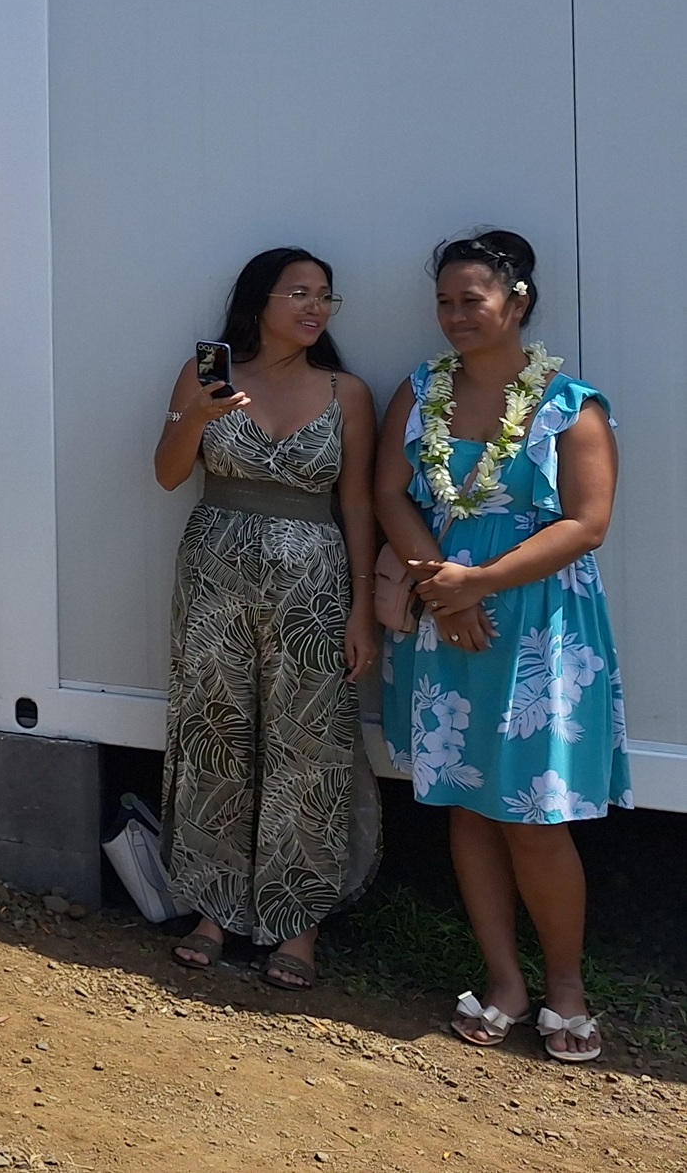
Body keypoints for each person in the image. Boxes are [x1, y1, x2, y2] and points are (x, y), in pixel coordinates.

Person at [377, 231, 625, 1065]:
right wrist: (439, 585)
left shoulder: (570, 403)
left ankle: (566, 986)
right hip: (447, 608)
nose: (454, 316)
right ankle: (503, 979)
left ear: (516, 302)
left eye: (471, 300)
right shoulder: (419, 393)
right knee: (470, 801)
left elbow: (587, 523)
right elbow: (388, 491)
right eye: (444, 301)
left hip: (537, 626)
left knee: (536, 817)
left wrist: (475, 585)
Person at [152, 247, 380, 989]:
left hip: (314, 587)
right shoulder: (207, 374)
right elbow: (167, 472)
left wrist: (361, 613)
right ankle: (213, 907)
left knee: (307, 749)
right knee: (217, 733)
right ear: (259, 301)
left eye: (325, 297)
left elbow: (357, 503)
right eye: (299, 293)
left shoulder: (347, 391)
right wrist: (198, 414)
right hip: (214, 576)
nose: (315, 308)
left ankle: (298, 920)